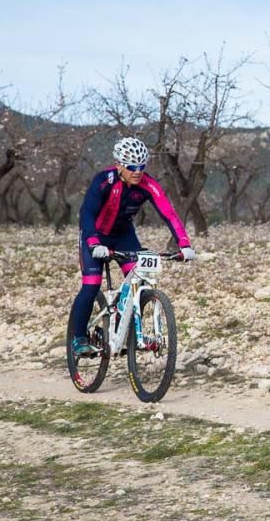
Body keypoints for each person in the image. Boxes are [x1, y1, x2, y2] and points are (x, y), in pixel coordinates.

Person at [69, 137, 195, 356]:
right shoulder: (104, 181)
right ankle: (78, 338)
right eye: (131, 167)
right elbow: (87, 213)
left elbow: (169, 214)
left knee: (137, 278)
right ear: (119, 165)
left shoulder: (148, 184)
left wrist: (184, 244)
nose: (137, 171)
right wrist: (93, 243)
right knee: (91, 285)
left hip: (124, 236)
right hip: (95, 235)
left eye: (141, 167)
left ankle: (124, 330)